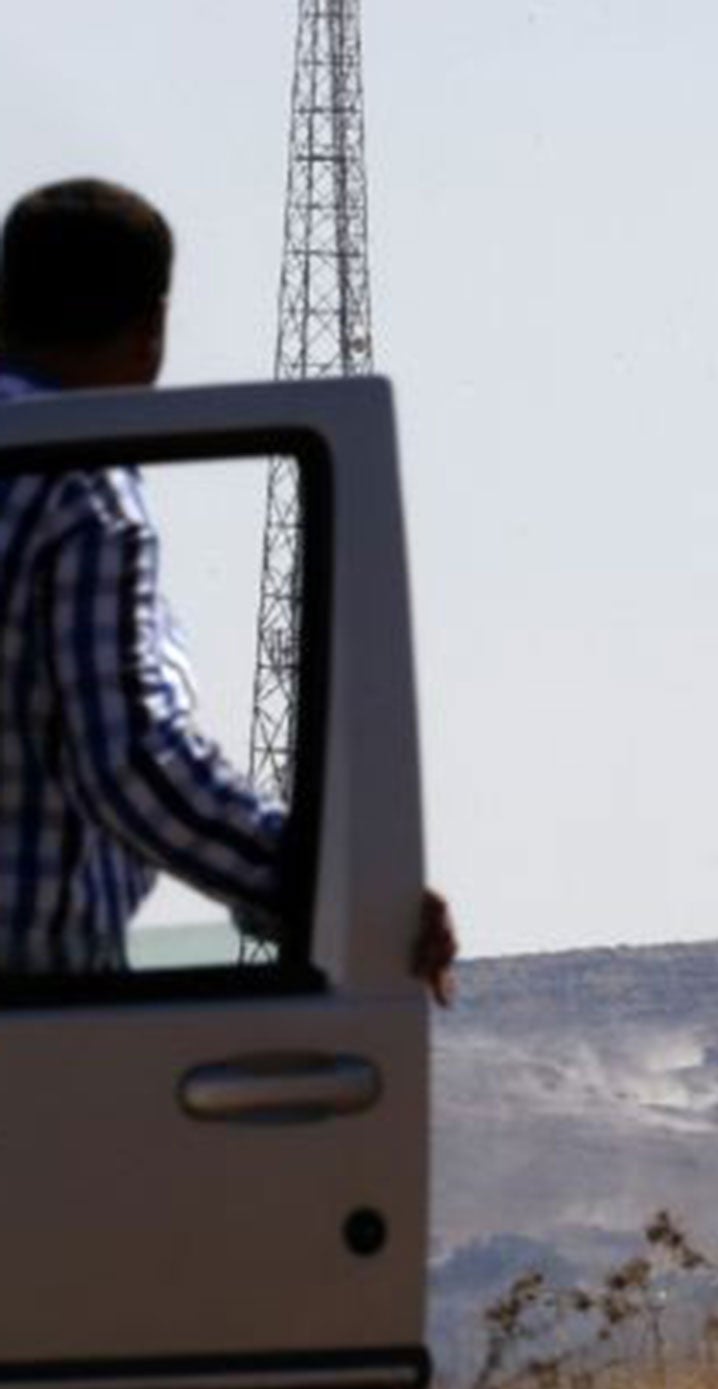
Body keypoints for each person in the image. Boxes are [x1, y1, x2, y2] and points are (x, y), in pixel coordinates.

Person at [0, 177, 455, 1000]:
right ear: (152, 327)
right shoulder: (79, 490)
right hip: (37, 1031)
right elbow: (134, 765)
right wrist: (328, 884)